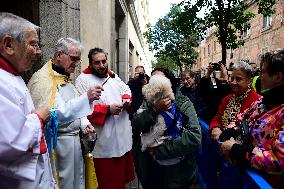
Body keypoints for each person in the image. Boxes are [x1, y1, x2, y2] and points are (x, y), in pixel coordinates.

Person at [28, 38, 103, 189]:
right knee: (64, 183)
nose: (76, 63)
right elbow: (54, 115)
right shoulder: (42, 80)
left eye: (78, 59)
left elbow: (76, 109)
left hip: (74, 142)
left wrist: (84, 124)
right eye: (73, 58)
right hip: (58, 145)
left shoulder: (65, 78)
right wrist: (86, 98)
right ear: (59, 55)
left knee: (77, 182)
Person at [0, 12, 56, 188]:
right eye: (33, 44)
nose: (38, 52)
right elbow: (9, 143)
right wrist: (39, 118)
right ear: (9, 45)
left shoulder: (13, 76)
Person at [219, 49, 284, 188]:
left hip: (265, 183)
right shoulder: (263, 101)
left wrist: (237, 150)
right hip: (245, 176)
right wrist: (228, 135)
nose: (259, 76)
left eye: (263, 72)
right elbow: (241, 118)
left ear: (278, 77)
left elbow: (279, 161)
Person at [132, 68, 201, 189]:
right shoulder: (148, 102)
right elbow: (136, 125)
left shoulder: (184, 103)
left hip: (178, 175)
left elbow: (194, 138)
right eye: (152, 81)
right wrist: (154, 110)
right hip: (151, 171)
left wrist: (160, 150)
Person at [76, 47, 135, 189]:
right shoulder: (82, 80)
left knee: (120, 181)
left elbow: (125, 89)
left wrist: (126, 99)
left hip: (121, 136)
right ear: (90, 64)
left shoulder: (112, 75)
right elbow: (81, 109)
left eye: (104, 61)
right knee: (105, 181)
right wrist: (107, 110)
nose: (102, 65)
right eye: (97, 62)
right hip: (104, 140)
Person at [209, 61, 261, 141]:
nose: (233, 82)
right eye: (232, 78)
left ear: (249, 81)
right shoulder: (227, 99)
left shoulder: (258, 102)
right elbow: (217, 118)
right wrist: (215, 127)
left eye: (238, 79)